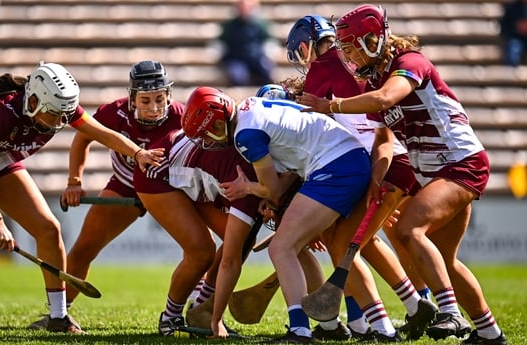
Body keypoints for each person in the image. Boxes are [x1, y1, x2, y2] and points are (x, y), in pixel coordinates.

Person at [297, 4, 507, 344]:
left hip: (460, 163)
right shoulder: (378, 77)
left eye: (350, 48)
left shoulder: (409, 64)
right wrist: (378, 176)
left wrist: (331, 105)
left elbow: (383, 100)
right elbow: (383, 137)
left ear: (370, 40)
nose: (347, 56)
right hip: (435, 171)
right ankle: (490, 333)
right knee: (447, 261)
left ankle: (449, 312)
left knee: (410, 228)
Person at [0, 62, 163, 335]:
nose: (59, 123)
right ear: (33, 101)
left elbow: (101, 133)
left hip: (0, 159)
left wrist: (138, 153)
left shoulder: (58, 106)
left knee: (49, 228)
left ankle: (59, 317)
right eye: (54, 115)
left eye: (64, 116)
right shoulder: (0, 110)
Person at [180, 86, 376, 343]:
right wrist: (268, 194)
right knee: (305, 246)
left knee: (282, 248)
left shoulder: (245, 135)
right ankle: (345, 325)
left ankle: (301, 330)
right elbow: (288, 171)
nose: (208, 139)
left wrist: (247, 188)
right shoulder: (250, 107)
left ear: (218, 123)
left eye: (209, 132)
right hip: (343, 159)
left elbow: (271, 190)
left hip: (337, 165)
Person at [285, 15, 436, 341]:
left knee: (342, 244)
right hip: (390, 156)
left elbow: (311, 132)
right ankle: (411, 305)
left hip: (375, 162)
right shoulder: (357, 61)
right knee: (362, 242)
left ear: (304, 45)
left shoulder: (322, 66)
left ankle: (381, 324)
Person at [27, 60, 184, 329]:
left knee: (198, 250)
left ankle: (196, 311)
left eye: (160, 99)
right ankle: (59, 315)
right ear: (133, 98)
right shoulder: (115, 112)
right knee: (85, 248)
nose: (154, 107)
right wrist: (75, 181)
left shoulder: (183, 115)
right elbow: (82, 138)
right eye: (145, 101)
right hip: (125, 185)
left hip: (171, 190)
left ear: (169, 95)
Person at [132, 128, 264, 338]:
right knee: (202, 252)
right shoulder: (246, 173)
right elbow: (229, 262)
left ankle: (201, 310)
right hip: (160, 174)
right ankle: (170, 318)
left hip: (195, 173)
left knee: (243, 239)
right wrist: (216, 319)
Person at [215, 0, 276, 86]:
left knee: (266, 72)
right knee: (238, 77)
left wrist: (269, 55)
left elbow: (268, 41)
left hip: (257, 58)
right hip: (236, 59)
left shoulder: (260, 24)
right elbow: (221, 43)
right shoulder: (229, 26)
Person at [499, 0, 527, 66]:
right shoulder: (512, 8)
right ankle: (510, 72)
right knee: (513, 49)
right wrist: (517, 27)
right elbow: (504, 27)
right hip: (517, 39)